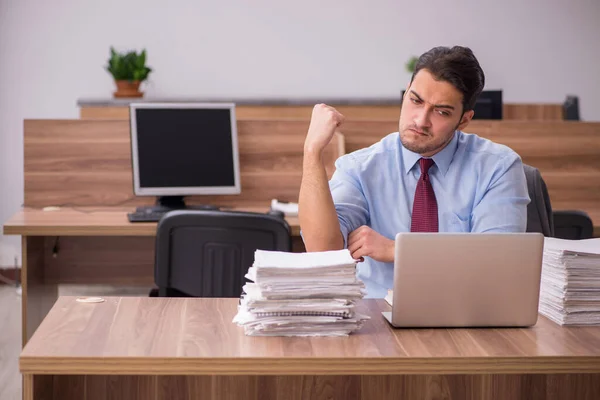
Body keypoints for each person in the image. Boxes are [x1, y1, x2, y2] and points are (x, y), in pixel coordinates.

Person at [298, 45, 530, 298]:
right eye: (415, 101)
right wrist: (312, 152)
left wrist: (400, 250)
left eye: (441, 111)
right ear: (405, 94)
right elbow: (322, 251)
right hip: (376, 318)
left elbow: (500, 263)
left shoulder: (497, 166)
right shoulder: (360, 168)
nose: (420, 120)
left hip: (464, 317)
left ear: (464, 120)